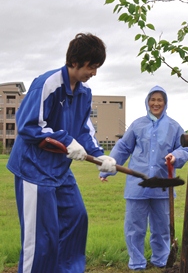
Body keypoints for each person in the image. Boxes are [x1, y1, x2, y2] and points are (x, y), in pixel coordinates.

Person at [7, 33, 117, 273]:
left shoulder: (84, 94)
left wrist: (100, 157)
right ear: (75, 61)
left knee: (77, 218)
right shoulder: (47, 84)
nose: (94, 73)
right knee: (39, 239)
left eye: (97, 67)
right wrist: (66, 140)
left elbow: (84, 131)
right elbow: (28, 125)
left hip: (59, 171)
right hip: (33, 169)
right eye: (92, 66)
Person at [100, 85, 188, 270]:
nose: (156, 103)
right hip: (137, 184)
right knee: (134, 226)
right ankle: (137, 261)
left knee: (162, 226)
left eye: (160, 100)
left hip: (162, 184)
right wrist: (106, 169)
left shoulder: (174, 126)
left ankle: (162, 259)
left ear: (165, 103)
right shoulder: (137, 124)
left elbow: (185, 148)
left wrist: (176, 156)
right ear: (147, 102)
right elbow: (123, 148)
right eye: (153, 99)